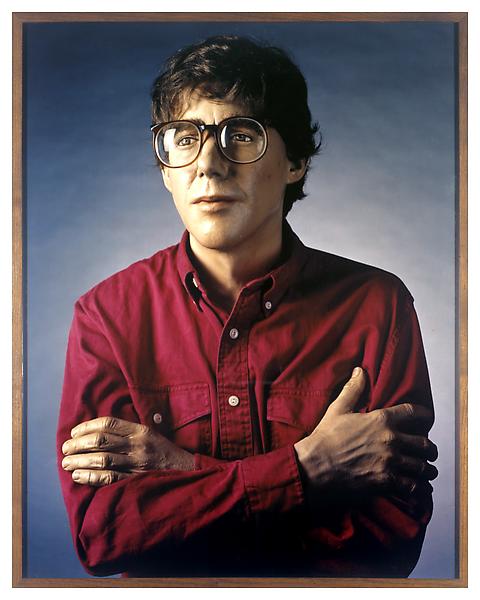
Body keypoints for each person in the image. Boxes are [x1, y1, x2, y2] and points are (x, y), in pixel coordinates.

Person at [57, 35, 438, 578]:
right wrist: (308, 470)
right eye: (184, 138)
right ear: (166, 170)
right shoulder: (106, 316)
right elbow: (103, 535)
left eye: (241, 135)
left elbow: (389, 542)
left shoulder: (378, 307)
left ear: (296, 161)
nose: (209, 166)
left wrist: (180, 470)